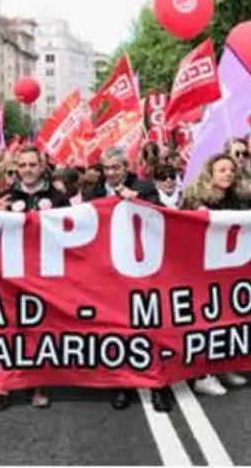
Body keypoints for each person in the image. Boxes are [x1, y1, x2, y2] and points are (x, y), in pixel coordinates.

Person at [0, 145, 69, 414]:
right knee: (3, 330)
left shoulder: (57, 197)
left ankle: (37, 384)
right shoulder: (4, 196)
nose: (28, 170)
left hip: (43, 274)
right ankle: (0, 387)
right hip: (9, 274)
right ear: (16, 168)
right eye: (23, 165)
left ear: (41, 167)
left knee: (38, 329)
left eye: (33, 165)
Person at [83, 147, 158, 410]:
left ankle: (156, 384)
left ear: (127, 167)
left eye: (117, 167)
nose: (112, 173)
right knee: (115, 327)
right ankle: (122, 385)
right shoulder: (93, 193)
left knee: (147, 325)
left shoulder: (144, 187)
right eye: (107, 168)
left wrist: (138, 202)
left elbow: (162, 218)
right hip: (108, 270)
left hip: (142, 267)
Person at [178, 153, 251, 398]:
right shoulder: (193, 198)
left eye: (231, 170)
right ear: (210, 173)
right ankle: (202, 375)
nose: (228, 174)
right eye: (222, 170)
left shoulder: (237, 200)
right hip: (200, 270)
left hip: (229, 269)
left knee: (227, 319)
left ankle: (222, 366)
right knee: (205, 321)